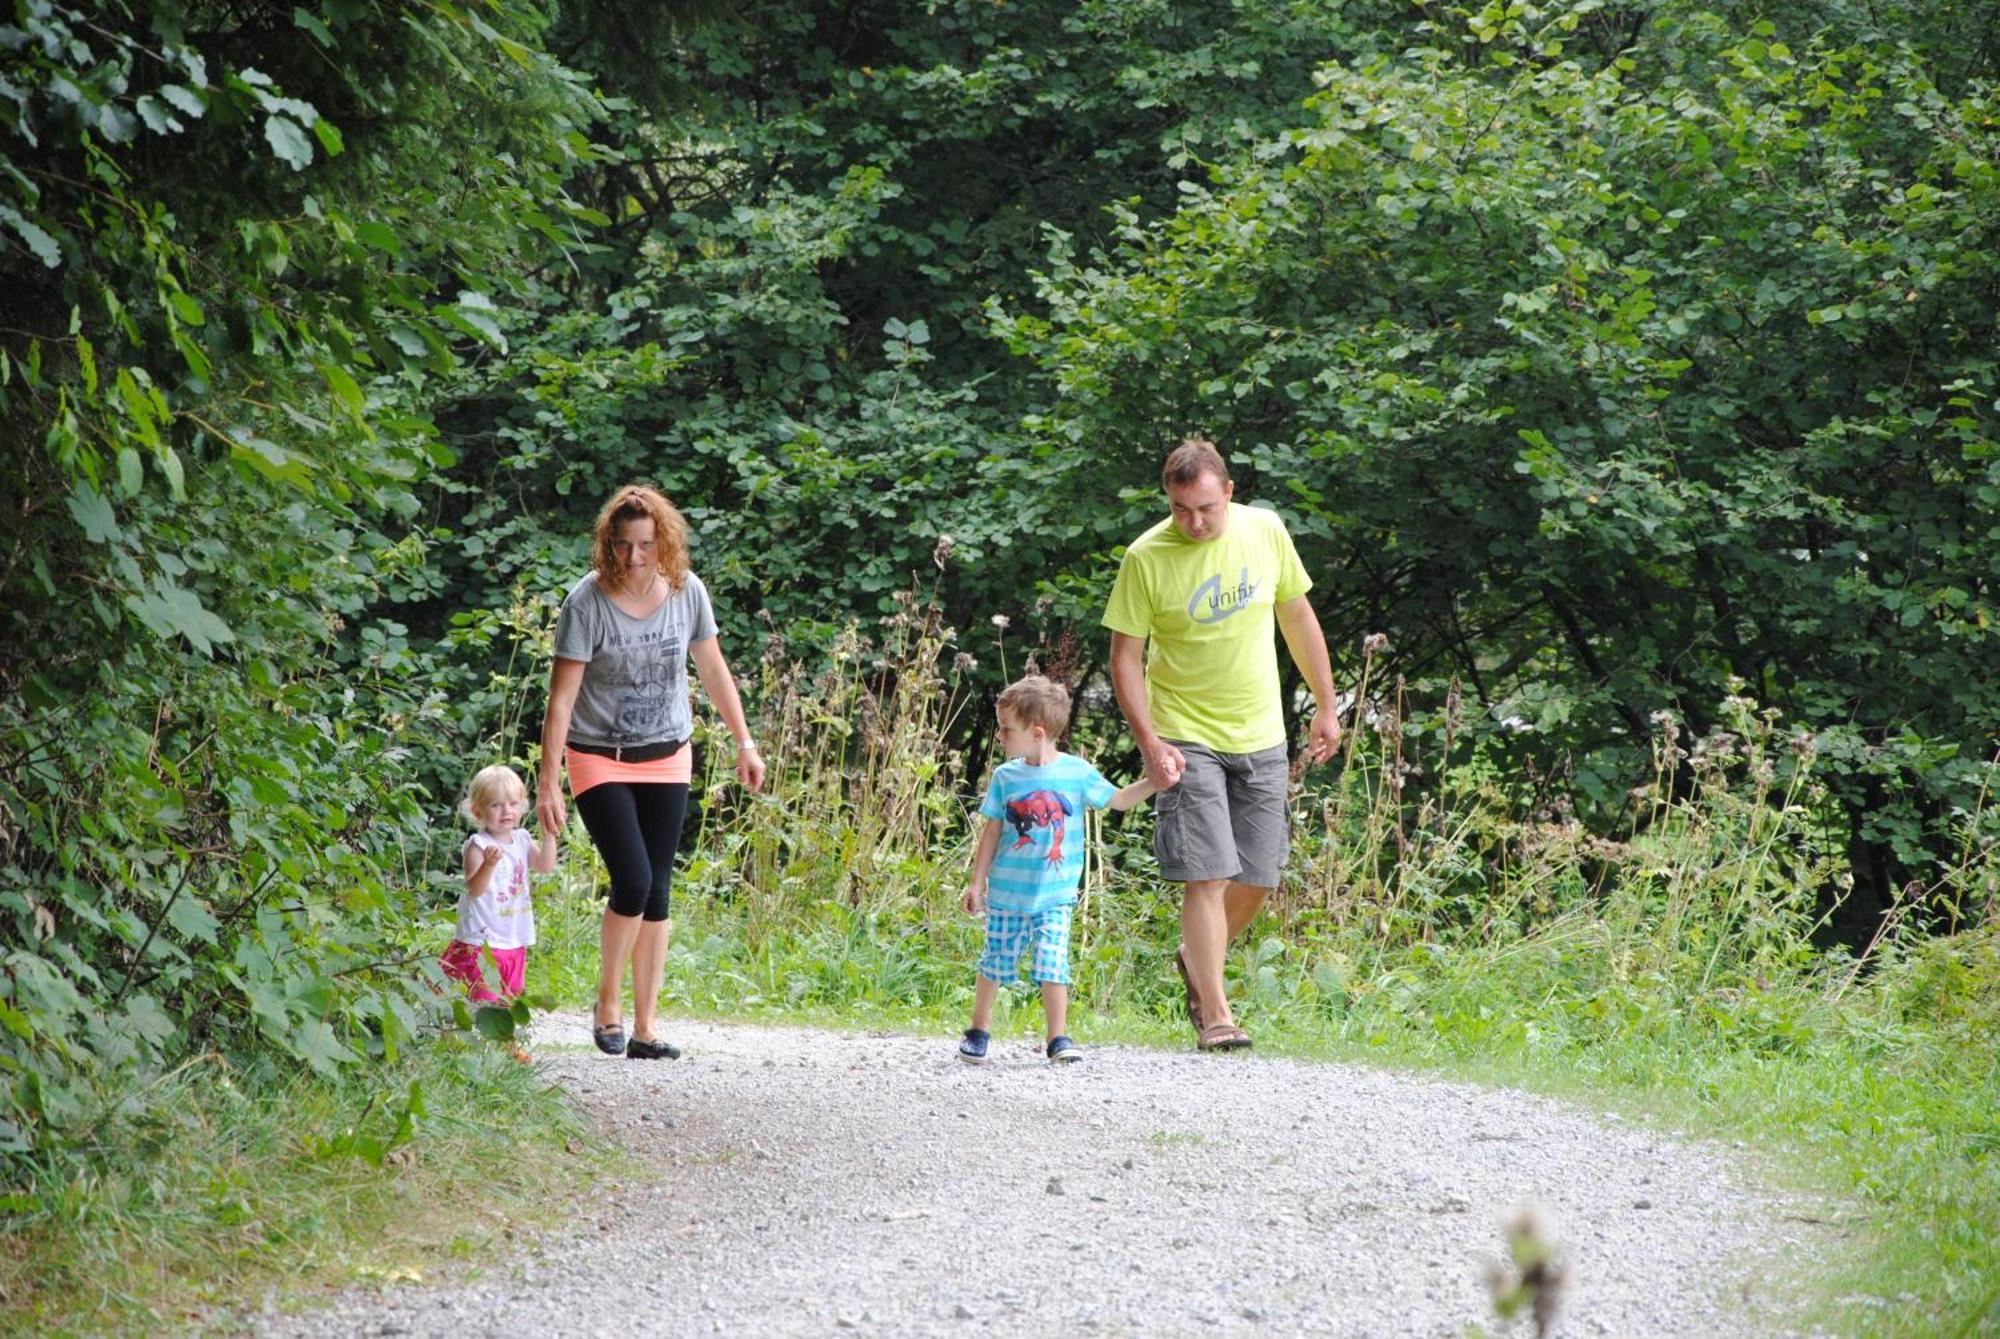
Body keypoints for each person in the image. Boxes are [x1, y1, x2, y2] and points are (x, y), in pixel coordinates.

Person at [1102, 437, 1341, 1051]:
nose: (1195, 521)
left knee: (1259, 875)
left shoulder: (1265, 531)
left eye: (1206, 507)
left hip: (1261, 730)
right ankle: (1216, 1013)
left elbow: (1297, 616)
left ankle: (1196, 958)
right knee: (1206, 875)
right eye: (1181, 509)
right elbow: (1125, 660)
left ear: (1229, 492)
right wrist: (1150, 741)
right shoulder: (1146, 557)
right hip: (1185, 736)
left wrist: (1326, 706)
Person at [537, 484, 766, 1060]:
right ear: (607, 545)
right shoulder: (585, 603)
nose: (633, 558)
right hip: (597, 755)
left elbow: (712, 668)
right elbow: (561, 700)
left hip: (668, 753)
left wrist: (745, 742)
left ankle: (645, 1027)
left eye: (644, 545)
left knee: (658, 890)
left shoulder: (688, 593)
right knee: (633, 880)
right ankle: (606, 1002)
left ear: (664, 542)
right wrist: (548, 783)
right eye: (621, 546)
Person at [958, 674, 1156, 1065]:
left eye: (1005, 729)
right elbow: (993, 829)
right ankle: (978, 1030)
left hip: (1055, 895)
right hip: (1008, 894)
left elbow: (1115, 800)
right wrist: (976, 882)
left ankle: (1058, 1037)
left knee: (1053, 962)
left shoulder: (1076, 773)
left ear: (1036, 732)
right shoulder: (1005, 777)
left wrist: (1154, 782)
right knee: (995, 960)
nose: (999, 736)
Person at [442, 763, 558, 1004]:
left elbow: (545, 866)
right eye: (496, 805)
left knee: (509, 997)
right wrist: (488, 865)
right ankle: (475, 1040)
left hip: (513, 936)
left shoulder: (522, 839)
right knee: (482, 999)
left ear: (523, 806)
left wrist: (549, 834)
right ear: (477, 811)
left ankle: (505, 1041)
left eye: (513, 804)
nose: (507, 811)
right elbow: (474, 890)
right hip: (481, 940)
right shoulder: (478, 845)